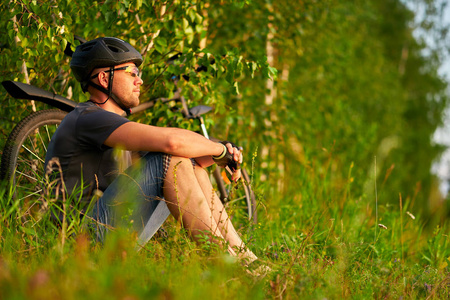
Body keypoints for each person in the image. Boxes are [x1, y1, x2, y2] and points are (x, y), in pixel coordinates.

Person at [44, 37, 258, 264]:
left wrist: (220, 154)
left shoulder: (110, 125)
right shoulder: (89, 117)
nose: (140, 80)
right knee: (170, 157)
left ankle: (246, 260)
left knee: (182, 160)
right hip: (79, 244)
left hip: (106, 233)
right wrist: (218, 149)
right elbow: (172, 144)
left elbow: (193, 164)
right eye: (132, 72)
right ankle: (229, 264)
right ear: (104, 78)